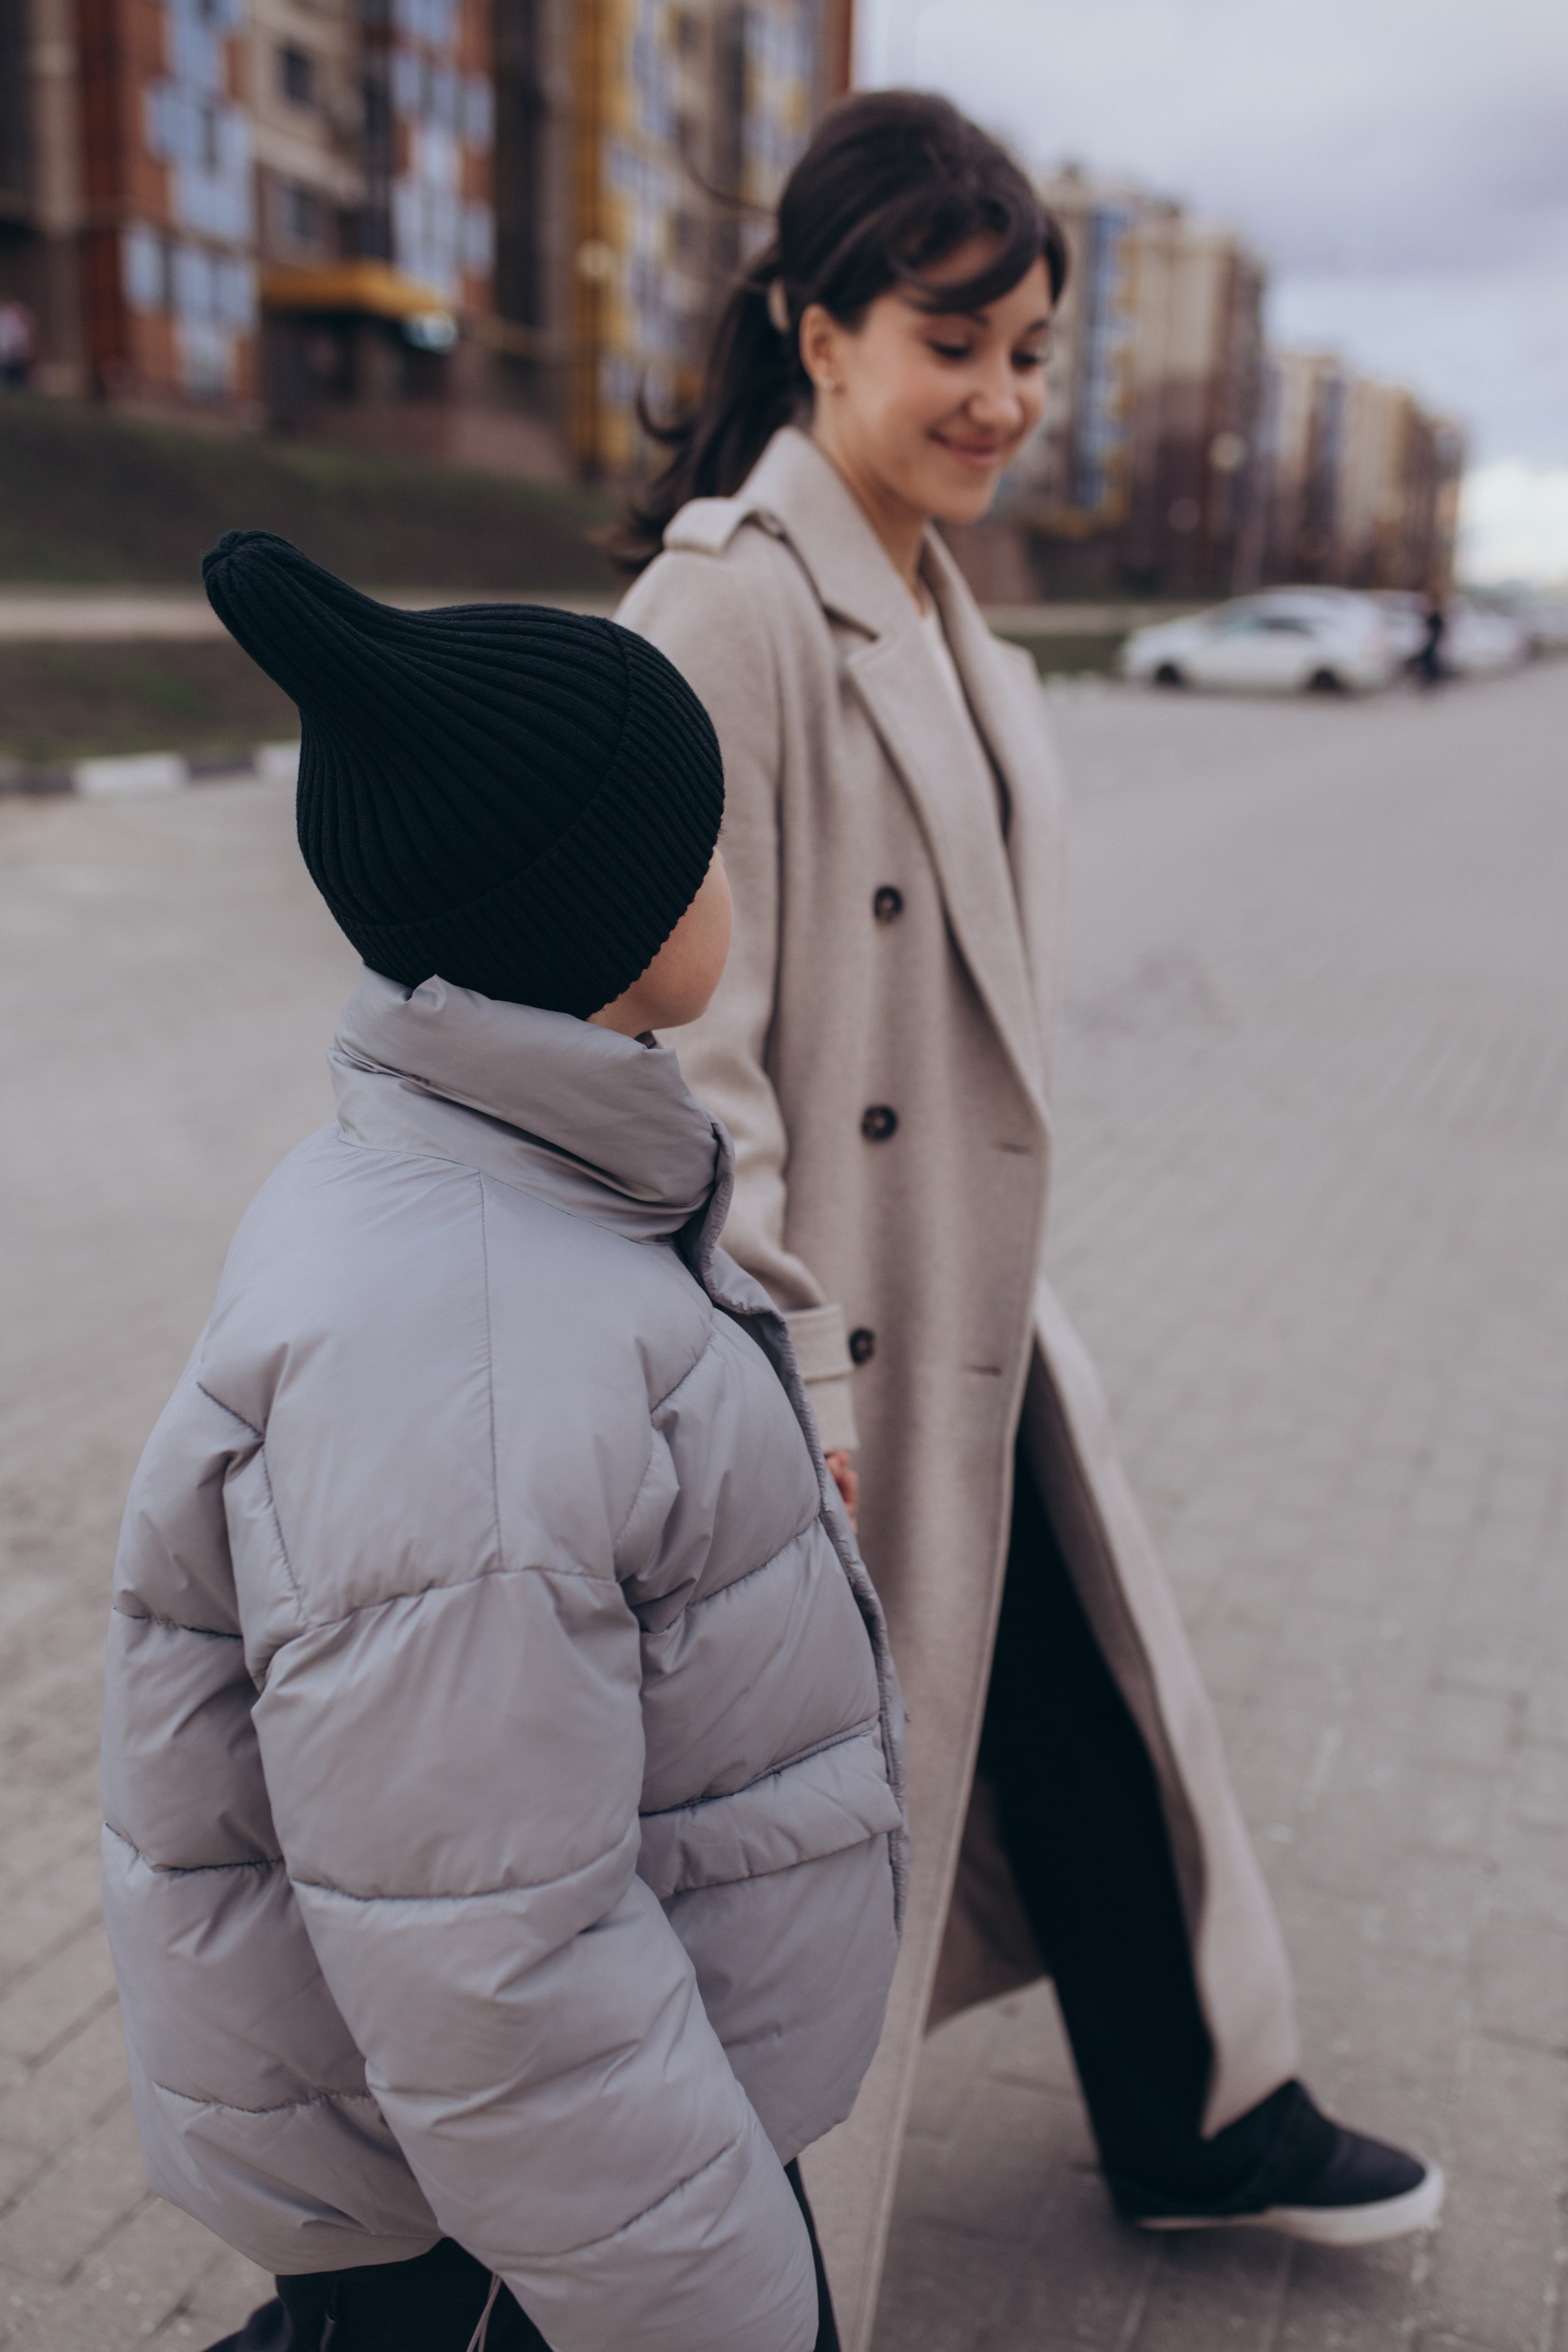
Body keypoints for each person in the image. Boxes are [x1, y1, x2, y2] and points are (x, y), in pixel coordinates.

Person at [616, 91, 1442, 2352]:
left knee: (1084, 1702)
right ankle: (657, 2282)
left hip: (971, 1307)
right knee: (773, 1872)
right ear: (814, 328)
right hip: (833, 1344)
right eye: (951, 340)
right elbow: (686, 1049)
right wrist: (784, 1378)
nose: (1001, 398)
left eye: (1035, 353)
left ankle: (1193, 2112)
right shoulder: (725, 609)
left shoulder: (938, 592)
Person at [100, 530, 908, 2352]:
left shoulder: (513, 1196)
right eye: (700, 843)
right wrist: (728, 2308)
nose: (728, 878)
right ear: (606, 919)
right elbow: (494, 1958)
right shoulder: (465, 1354)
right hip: (534, 2200)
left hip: (549, 2140)